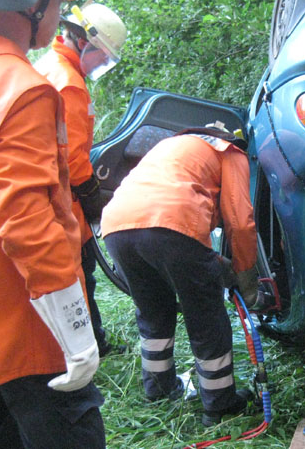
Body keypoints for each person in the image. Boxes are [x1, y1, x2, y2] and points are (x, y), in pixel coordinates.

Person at [0, 0, 105, 448]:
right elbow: (27, 223)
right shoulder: (23, 87)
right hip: (31, 332)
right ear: (32, 5)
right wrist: (76, 335)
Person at [101, 122, 260, 426]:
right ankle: (220, 405)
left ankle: (158, 390)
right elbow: (240, 222)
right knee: (205, 317)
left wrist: (210, 260)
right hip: (171, 223)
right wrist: (246, 278)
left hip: (116, 226)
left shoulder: (170, 147)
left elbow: (164, 216)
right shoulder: (229, 152)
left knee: (153, 311)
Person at [35, 1, 128, 357]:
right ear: (84, 43)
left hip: (55, 192)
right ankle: (87, 347)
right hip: (64, 197)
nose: (102, 65)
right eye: (102, 57)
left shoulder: (51, 67)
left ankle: (92, 341)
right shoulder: (69, 84)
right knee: (79, 275)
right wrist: (91, 192)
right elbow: (73, 158)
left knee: (80, 273)